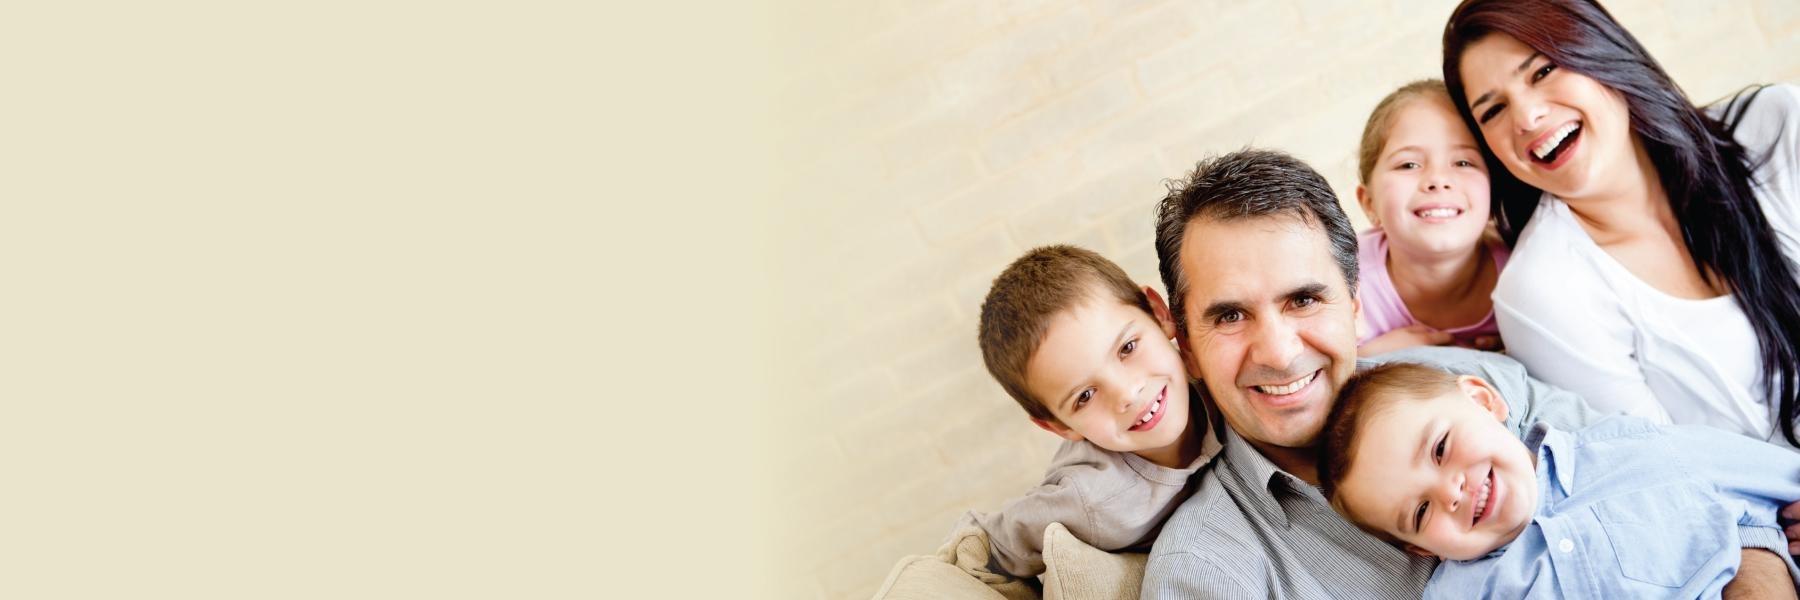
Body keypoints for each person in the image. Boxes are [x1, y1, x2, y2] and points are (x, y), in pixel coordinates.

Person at [1136, 148, 1800, 598]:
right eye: (1229, 316)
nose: (1279, 351)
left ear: (1355, 303)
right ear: (1184, 344)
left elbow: (1662, 482)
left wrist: (1762, 566)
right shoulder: (1206, 569)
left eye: (1304, 299)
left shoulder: (1456, 381)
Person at [1442, 0, 1800, 451]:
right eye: (1492, 111)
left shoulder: (1779, 125)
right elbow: (1672, 473)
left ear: (1600, 53)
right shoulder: (1543, 292)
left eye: (1542, 71)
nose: (1527, 117)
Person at [1318, 362, 1800, 598]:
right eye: (1420, 512)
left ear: (1484, 402)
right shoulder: (1461, 594)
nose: (1450, 492)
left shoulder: (1630, 448)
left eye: (1441, 449)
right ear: (1422, 549)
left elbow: (1769, 474)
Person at [947, 245, 1219, 579]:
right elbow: (984, 548)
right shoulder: (1087, 498)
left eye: (1127, 348)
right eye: (1085, 396)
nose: (1127, 393)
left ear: (1158, 313)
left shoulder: (1220, 374)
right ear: (1059, 427)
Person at [1352, 79, 1510, 355]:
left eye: (1464, 162)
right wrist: (1367, 361)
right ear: (1369, 203)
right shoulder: (1343, 285)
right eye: (1408, 164)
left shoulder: (1522, 266)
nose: (1438, 179)